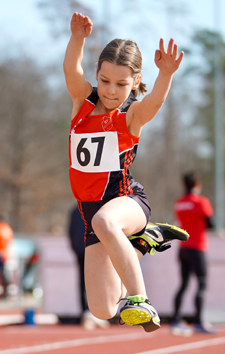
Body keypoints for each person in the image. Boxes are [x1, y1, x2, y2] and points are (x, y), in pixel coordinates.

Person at [64, 12, 188, 333]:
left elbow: (154, 104)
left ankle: (141, 299)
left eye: (121, 84)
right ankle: (143, 243)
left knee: (105, 220)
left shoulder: (130, 115)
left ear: (134, 82)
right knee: (103, 308)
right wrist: (78, 39)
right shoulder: (83, 103)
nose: (110, 91)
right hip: (91, 214)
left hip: (126, 201)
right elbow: (71, 70)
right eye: (104, 81)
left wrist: (166, 75)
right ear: (97, 74)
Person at [171, 172, 217, 334]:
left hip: (183, 248)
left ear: (184, 185)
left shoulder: (178, 203)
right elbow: (211, 224)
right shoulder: (201, 202)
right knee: (202, 284)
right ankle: (198, 321)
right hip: (198, 248)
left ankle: (176, 320)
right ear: (197, 185)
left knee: (183, 285)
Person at [68, 205, 109, 329]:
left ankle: (90, 312)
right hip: (91, 250)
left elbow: (70, 232)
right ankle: (93, 313)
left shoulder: (76, 210)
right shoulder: (97, 208)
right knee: (95, 281)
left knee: (85, 281)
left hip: (83, 250)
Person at [0, 214, 14, 298]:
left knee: (2, 273)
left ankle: (5, 291)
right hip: (5, 254)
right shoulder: (7, 229)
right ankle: (5, 291)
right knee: (3, 273)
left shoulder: (3, 229)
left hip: (2, 254)